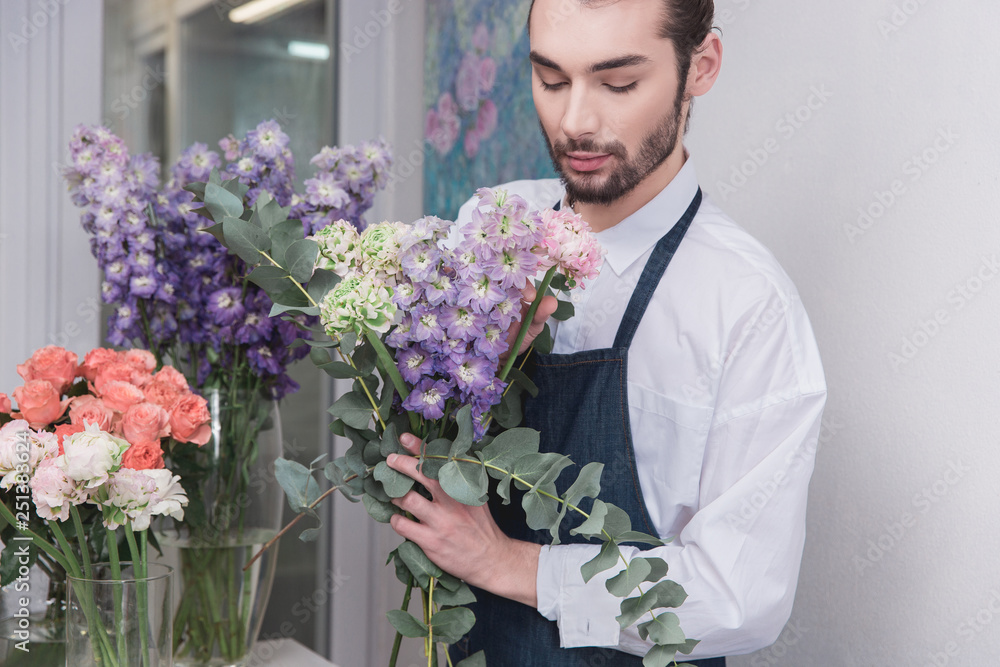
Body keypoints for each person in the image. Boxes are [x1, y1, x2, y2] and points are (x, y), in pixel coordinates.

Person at [386, 0, 827, 664]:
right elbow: (414, 463)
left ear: (700, 66)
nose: (574, 122)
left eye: (618, 83)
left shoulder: (746, 305)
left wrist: (512, 564)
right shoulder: (491, 225)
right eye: (551, 79)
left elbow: (742, 595)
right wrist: (480, 368)